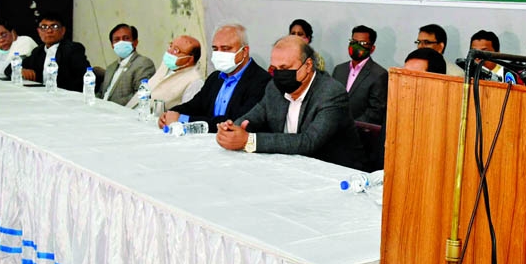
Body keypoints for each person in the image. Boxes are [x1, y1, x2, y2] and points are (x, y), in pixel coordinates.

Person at [216, 35, 365, 170]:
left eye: (285, 68)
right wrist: (232, 130)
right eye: (275, 69)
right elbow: (254, 116)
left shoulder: (331, 92)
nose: (279, 75)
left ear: (307, 66)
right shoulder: (274, 88)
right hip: (290, 167)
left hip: (336, 172)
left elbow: (309, 142)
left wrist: (249, 141)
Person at [158, 24, 270, 133]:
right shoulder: (215, 77)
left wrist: (183, 119)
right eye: (215, 49)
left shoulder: (262, 81)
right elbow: (194, 105)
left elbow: (236, 121)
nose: (219, 53)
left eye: (225, 49)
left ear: (244, 51)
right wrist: (171, 113)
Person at [332, 25, 388, 170]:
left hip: (359, 140)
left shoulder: (379, 74)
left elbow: (375, 111)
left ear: (372, 48)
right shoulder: (339, 69)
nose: (356, 46)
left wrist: (349, 128)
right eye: (353, 41)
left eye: (362, 44)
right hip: (332, 135)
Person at [9, 12, 91, 91]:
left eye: (54, 26)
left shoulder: (72, 49)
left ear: (63, 30)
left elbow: (84, 77)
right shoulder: (38, 51)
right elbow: (9, 68)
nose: (49, 31)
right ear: (39, 31)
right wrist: (20, 70)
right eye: (44, 27)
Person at [126, 35, 204, 110]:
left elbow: (186, 112)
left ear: (190, 59)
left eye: (176, 50)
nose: (169, 51)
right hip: (132, 111)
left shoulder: (194, 81)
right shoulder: (167, 64)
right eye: (170, 46)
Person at [97, 23, 156, 106]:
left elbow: (139, 96)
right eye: (117, 39)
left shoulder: (143, 64)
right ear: (112, 45)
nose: (121, 42)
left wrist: (109, 106)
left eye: (126, 38)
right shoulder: (111, 67)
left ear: (135, 42)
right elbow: (101, 93)